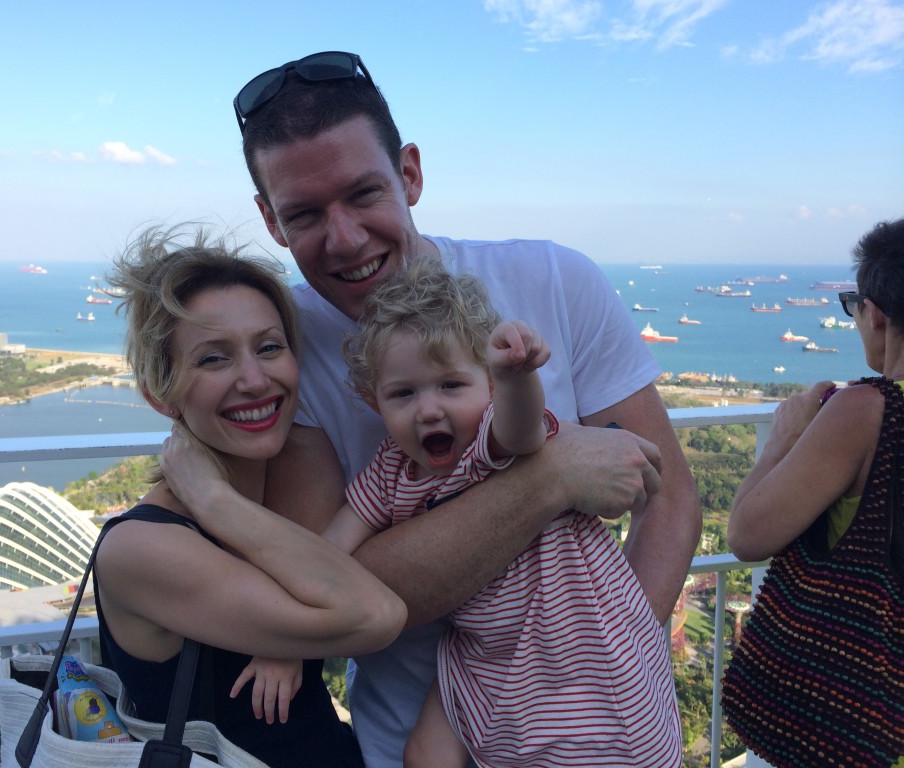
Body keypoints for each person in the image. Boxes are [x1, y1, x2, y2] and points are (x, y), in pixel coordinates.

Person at [233, 51, 702, 765]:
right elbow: (344, 590)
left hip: (604, 733)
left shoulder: (555, 279)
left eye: (365, 194)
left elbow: (670, 500)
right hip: (418, 736)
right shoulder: (282, 350)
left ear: (411, 174)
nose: (347, 238)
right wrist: (547, 480)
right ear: (270, 220)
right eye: (304, 214)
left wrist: (598, 671)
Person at [92, 225, 407, 768]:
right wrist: (215, 503)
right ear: (160, 394)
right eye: (213, 359)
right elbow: (373, 614)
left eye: (269, 347)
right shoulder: (140, 549)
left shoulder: (304, 461)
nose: (255, 380)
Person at [724, 217, 904, 766]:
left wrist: (782, 437)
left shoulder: (867, 410)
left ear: (874, 313)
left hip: (838, 723)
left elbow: (746, 534)